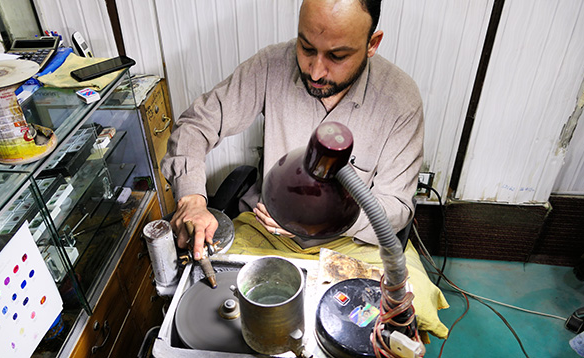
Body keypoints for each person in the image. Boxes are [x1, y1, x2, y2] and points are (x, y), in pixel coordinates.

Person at [160, 0, 423, 263]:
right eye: (306, 48)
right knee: (210, 291)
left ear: (372, 44)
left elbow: (396, 206)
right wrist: (191, 200)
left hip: (351, 244)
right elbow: (196, 125)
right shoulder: (271, 65)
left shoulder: (400, 100)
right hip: (267, 232)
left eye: (337, 56)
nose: (316, 72)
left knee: (409, 301)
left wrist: (317, 222)